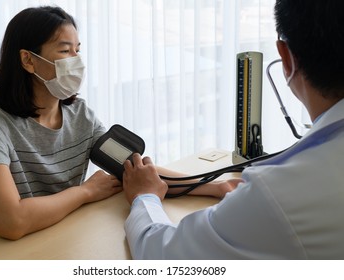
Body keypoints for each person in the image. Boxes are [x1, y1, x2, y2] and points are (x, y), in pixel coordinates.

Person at [123, 0, 344, 259]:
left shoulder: (279, 194)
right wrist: (221, 188)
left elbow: (161, 256)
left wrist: (144, 198)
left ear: (285, 57)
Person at [0, 6, 124, 244]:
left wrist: (197, 184)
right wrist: (86, 192)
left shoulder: (81, 115)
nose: (77, 61)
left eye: (78, 50)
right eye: (65, 50)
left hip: (53, 236)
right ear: (28, 60)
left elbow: (132, 164)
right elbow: (11, 222)